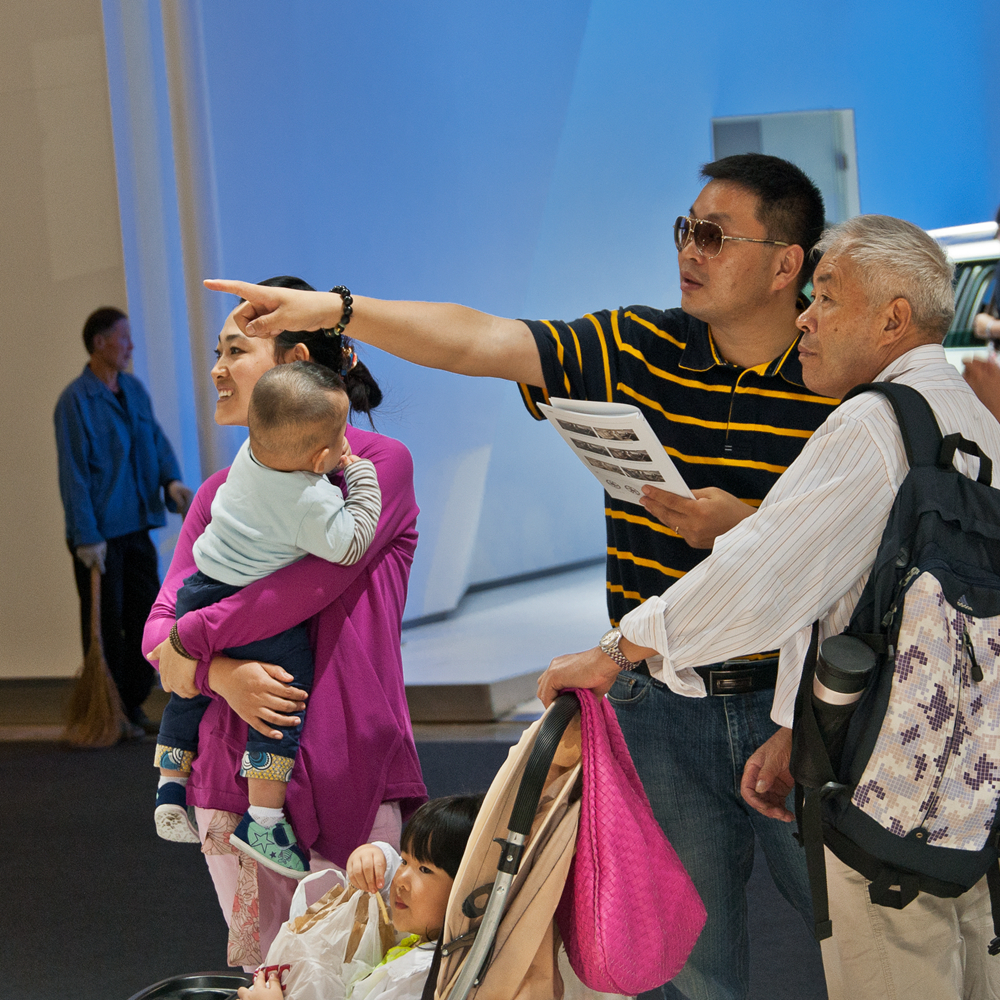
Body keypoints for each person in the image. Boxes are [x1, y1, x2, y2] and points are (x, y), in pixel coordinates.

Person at [205, 153, 834, 999]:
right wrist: (338, 309)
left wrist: (745, 527)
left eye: (715, 236)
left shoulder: (836, 378)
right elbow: (481, 340)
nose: (690, 248)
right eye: (686, 229)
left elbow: (861, 543)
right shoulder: (639, 346)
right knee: (687, 965)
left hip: (797, 703)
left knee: (859, 933)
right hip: (660, 701)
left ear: (786, 264)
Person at [537, 215, 1000, 1000]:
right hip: (965, 791)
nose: (805, 319)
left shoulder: (873, 423)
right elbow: (855, 593)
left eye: (827, 297)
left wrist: (618, 651)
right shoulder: (974, 419)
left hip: (878, 791)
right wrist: (793, 723)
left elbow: (762, 577)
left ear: (893, 318)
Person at [142, 277, 426, 966]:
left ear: (295, 362)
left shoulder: (374, 466)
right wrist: (218, 674)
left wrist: (192, 644)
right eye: (217, 351)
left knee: (361, 978)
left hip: (353, 770)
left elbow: (288, 596)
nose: (217, 369)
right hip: (233, 782)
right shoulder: (218, 493)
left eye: (235, 351)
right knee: (269, 978)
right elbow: (156, 632)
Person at [154, 361, 383, 882]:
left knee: (186, 691)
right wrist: (359, 474)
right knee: (283, 697)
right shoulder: (309, 499)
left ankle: (169, 784)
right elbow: (350, 544)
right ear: (320, 457)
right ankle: (264, 819)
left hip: (199, 591)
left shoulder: (247, 458)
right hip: (249, 610)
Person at [55, 307, 193, 738]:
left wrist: (171, 481)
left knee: (144, 616)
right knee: (105, 623)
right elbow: (74, 474)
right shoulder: (75, 401)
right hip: (99, 536)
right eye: (123, 337)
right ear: (99, 343)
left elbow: (155, 440)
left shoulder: (132, 390)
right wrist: (87, 536)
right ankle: (109, 712)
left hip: (136, 525)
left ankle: (131, 704)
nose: (131, 345)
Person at [238, 794, 484, 1000]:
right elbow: (386, 867)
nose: (401, 880)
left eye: (425, 870)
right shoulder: (426, 937)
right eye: (405, 860)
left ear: (469, 889)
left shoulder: (420, 979)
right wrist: (371, 854)